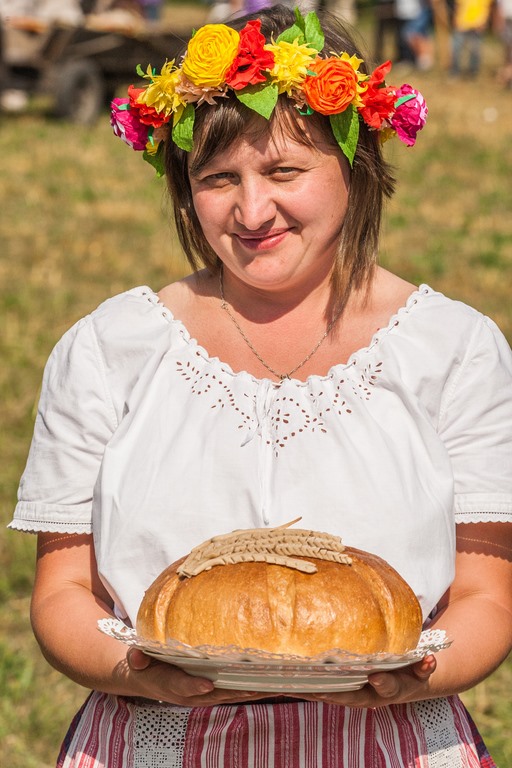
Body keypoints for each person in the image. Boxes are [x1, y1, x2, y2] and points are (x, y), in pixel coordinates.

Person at [9, 5, 512, 767]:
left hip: (389, 744)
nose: (251, 211)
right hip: (154, 744)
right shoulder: (111, 348)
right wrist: (137, 670)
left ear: (356, 164)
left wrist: (412, 676)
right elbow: (60, 595)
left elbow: (487, 597)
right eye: (218, 179)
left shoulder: (455, 350)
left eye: (284, 171)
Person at [450, 0, 494, 77]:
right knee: (456, 48)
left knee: (475, 49)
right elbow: (457, 5)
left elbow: (489, 7)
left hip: (478, 24)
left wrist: (485, 22)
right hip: (461, 23)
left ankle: (473, 72)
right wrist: (455, 18)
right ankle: (455, 70)